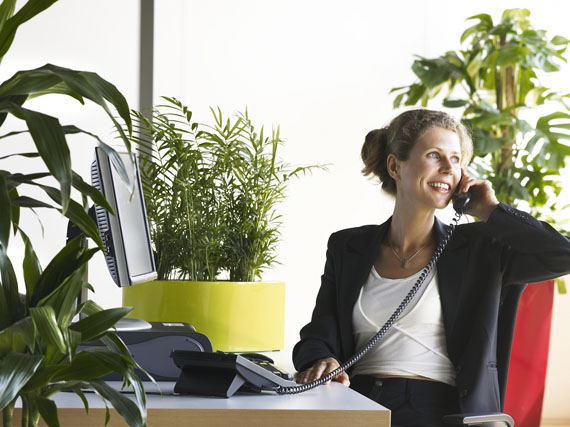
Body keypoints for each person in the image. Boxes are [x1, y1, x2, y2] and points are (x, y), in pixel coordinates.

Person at [292, 109, 570, 426]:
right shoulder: (348, 247)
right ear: (395, 166)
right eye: (435, 155)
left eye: (455, 159)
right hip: (359, 402)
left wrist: (491, 210)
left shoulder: (479, 248)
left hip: (440, 410)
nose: (449, 168)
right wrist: (322, 359)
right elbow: (318, 334)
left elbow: (562, 255)